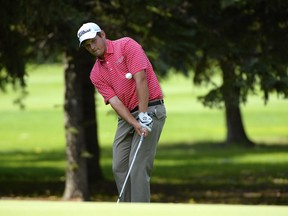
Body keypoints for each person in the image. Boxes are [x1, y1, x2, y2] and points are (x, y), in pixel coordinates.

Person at [77, 22, 166, 202]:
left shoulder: (126, 45)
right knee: (119, 166)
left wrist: (142, 116)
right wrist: (134, 123)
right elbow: (115, 102)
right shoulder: (96, 73)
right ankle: (128, 209)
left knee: (138, 168)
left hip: (150, 108)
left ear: (102, 34)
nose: (92, 47)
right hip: (127, 117)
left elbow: (141, 79)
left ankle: (140, 212)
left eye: (93, 41)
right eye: (87, 46)